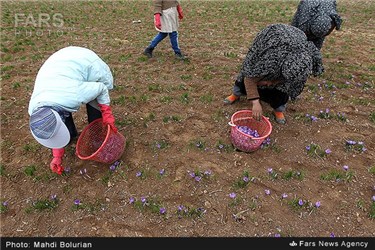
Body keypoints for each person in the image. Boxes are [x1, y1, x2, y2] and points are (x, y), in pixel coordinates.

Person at [28, 46, 118, 175]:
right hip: (59, 69)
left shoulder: (75, 95)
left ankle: (97, 136)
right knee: (65, 109)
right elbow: (53, 124)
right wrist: (57, 156)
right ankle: (71, 135)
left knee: (94, 104)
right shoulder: (35, 110)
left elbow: (101, 88)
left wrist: (106, 112)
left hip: (85, 62)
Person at [223, 24, 324, 124]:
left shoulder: (301, 67)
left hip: (295, 40)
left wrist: (276, 81)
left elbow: (288, 82)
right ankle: (236, 94)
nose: (269, 83)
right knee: (249, 72)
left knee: (283, 89)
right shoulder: (269, 60)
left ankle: (278, 109)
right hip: (273, 37)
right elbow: (249, 79)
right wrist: (255, 102)